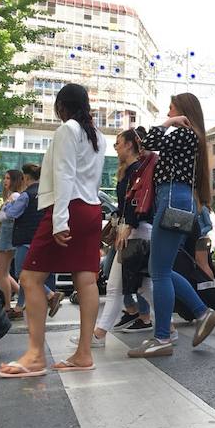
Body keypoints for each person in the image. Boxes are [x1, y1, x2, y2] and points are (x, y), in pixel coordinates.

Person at [0, 84, 107, 377]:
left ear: (61, 107)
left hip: (67, 207)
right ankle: (84, 353)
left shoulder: (67, 130)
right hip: (92, 209)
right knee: (86, 278)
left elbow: (64, 175)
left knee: (30, 278)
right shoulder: (97, 136)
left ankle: (34, 355)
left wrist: (59, 221)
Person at [126, 93, 215, 358]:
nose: (168, 113)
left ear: (183, 111)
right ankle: (202, 313)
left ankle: (162, 337)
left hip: (171, 199)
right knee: (162, 269)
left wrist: (169, 123)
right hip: (175, 199)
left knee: (159, 272)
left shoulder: (184, 134)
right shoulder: (191, 137)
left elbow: (148, 143)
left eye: (171, 108)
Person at [71, 130, 154, 348]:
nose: (115, 147)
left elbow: (139, 202)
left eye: (118, 143)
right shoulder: (131, 170)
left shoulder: (138, 170)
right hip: (133, 231)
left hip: (136, 233)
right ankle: (100, 334)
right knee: (139, 286)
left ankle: (99, 334)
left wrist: (128, 226)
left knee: (133, 286)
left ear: (129, 145)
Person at [4, 163, 61, 319]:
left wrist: (7, 206)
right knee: (31, 275)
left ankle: (51, 295)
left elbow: (11, 214)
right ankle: (20, 306)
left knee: (22, 274)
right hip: (43, 240)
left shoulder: (25, 195)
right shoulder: (47, 195)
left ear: (26, 177)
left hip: (25, 241)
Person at [0, 169, 23, 315]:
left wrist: (1, 217)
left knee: (2, 273)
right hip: (8, 236)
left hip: (7, 237)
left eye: (8, 178)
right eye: (4, 178)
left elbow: (8, 217)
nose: (5, 181)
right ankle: (23, 299)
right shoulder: (14, 196)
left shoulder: (15, 196)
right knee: (3, 273)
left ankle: (7, 305)